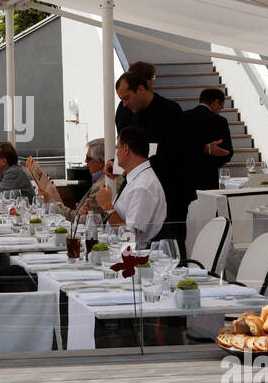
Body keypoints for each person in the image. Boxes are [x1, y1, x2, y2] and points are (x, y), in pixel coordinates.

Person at [115, 67, 190, 250]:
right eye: (122, 100)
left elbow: (173, 155)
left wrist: (136, 167)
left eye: (127, 98)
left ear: (141, 89)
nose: (125, 104)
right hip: (142, 183)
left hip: (170, 194)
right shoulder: (129, 113)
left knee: (170, 252)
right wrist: (117, 164)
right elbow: (129, 148)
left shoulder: (170, 111)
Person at [96, 126, 167, 244]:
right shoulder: (136, 179)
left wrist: (107, 206)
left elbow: (130, 238)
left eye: (117, 148)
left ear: (126, 149)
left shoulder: (143, 186)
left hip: (134, 257)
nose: (116, 154)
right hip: (119, 250)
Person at [25, 138, 111, 220]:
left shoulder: (101, 186)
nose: (85, 161)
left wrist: (50, 201)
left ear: (100, 163)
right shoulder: (101, 181)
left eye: (88, 158)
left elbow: (77, 219)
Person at [184, 88, 233, 192]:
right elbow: (227, 153)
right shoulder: (220, 121)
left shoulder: (182, 117)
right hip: (208, 179)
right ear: (216, 102)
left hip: (184, 178)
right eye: (221, 107)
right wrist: (212, 160)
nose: (220, 111)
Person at [114, 61, 156, 135]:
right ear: (144, 81)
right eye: (152, 77)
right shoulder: (129, 107)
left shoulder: (123, 107)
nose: (153, 81)